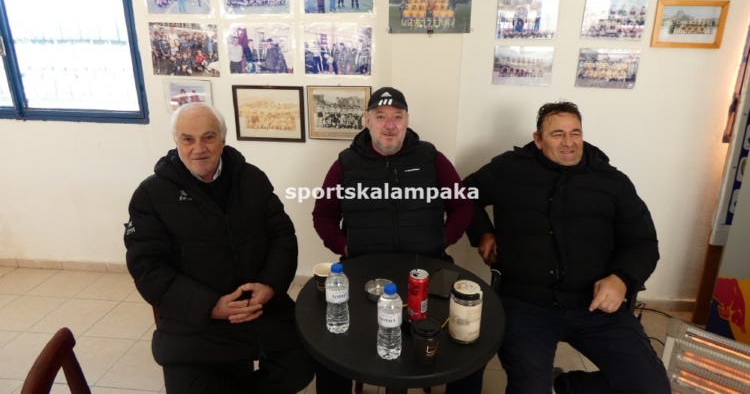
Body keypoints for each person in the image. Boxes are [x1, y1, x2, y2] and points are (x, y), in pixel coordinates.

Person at [462, 101, 670, 394]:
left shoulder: (612, 182)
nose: (569, 142)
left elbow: (642, 241)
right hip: (525, 303)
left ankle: (563, 386)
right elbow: (463, 193)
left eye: (575, 133)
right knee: (529, 389)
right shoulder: (509, 169)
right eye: (557, 134)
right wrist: (483, 232)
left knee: (651, 387)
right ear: (538, 140)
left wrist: (622, 278)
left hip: (595, 304)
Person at [124, 103, 314, 393]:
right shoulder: (150, 195)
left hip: (258, 307)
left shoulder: (252, 179)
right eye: (188, 139)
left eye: (208, 137)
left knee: (301, 366)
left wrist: (269, 285)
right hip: (195, 319)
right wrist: (210, 306)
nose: (198, 148)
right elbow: (147, 268)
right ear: (176, 142)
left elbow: (283, 236)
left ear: (223, 139)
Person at [312, 87, 486, 394]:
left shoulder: (432, 158)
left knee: (468, 349)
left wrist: (442, 239)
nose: (389, 125)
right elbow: (323, 215)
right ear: (367, 121)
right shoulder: (345, 163)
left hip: (429, 269)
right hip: (363, 271)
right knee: (330, 350)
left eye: (397, 116)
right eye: (381, 117)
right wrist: (346, 247)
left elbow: (462, 205)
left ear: (407, 120)